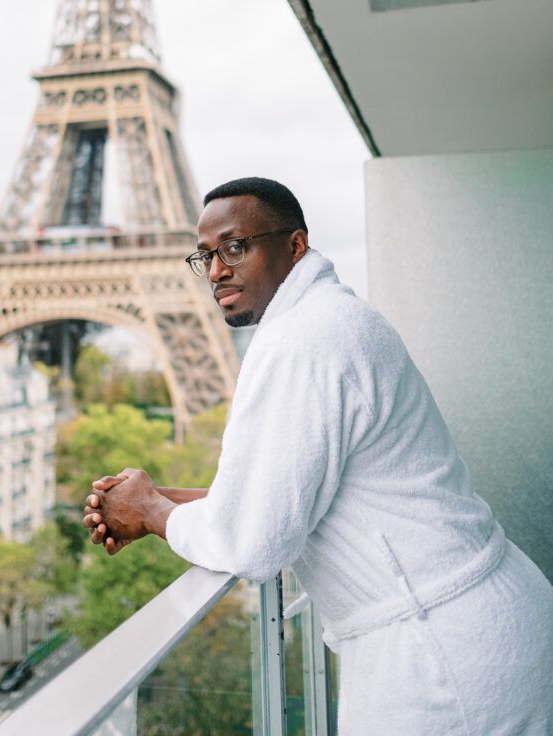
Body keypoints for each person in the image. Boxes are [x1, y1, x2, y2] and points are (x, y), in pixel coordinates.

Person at [84, 177, 553, 735]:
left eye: (235, 248)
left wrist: (154, 513)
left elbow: (254, 542)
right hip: (480, 626)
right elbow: (291, 493)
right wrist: (156, 503)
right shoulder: (334, 320)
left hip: (438, 658)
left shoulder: (300, 342)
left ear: (295, 245)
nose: (216, 271)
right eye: (204, 256)